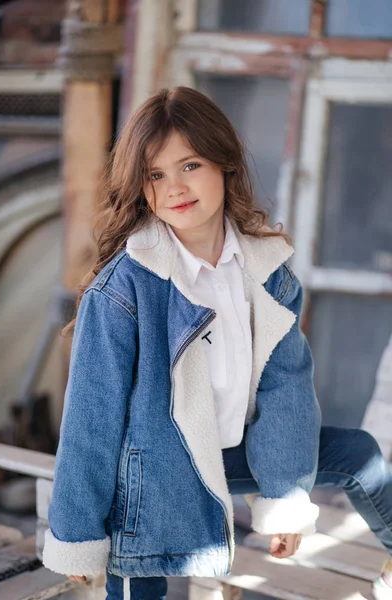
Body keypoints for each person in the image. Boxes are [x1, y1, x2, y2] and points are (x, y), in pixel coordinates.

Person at [42, 86, 392, 600]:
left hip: (233, 451)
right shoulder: (124, 290)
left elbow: (285, 392)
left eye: (190, 165)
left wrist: (284, 500)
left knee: (359, 453)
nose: (176, 188)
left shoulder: (265, 271)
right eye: (156, 175)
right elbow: (91, 422)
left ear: (223, 163)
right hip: (150, 468)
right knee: (141, 578)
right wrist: (77, 534)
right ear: (142, 189)